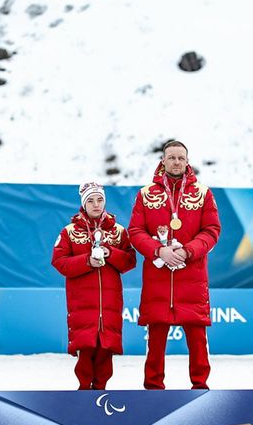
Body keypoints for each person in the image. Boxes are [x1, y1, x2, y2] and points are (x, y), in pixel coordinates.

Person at [128, 140, 221, 389]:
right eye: (171, 157)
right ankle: (153, 389)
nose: (176, 162)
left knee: (197, 339)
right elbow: (135, 231)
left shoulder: (203, 193)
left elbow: (212, 230)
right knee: (155, 340)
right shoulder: (146, 194)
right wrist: (159, 250)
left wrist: (187, 251)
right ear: (163, 160)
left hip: (192, 278)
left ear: (187, 161)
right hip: (157, 279)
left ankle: (200, 388)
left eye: (181, 158)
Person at [52, 182, 137, 390]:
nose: (96, 204)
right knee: (85, 350)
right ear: (83, 204)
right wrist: (87, 261)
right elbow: (59, 262)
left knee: (105, 351)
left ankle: (101, 391)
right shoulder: (69, 232)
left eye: (99, 200)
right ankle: (83, 391)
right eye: (90, 201)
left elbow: (130, 261)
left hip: (110, 305)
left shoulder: (118, 231)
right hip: (82, 304)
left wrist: (111, 253)